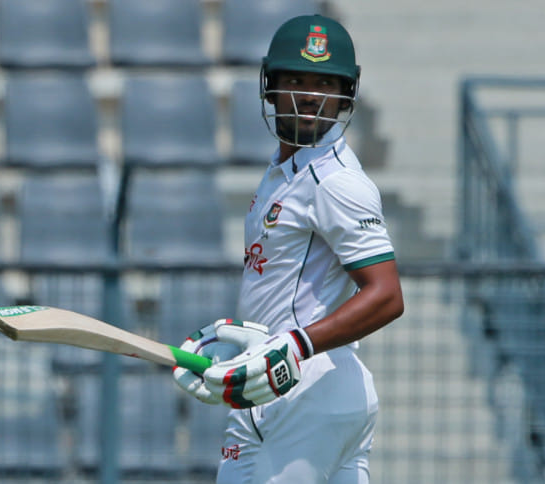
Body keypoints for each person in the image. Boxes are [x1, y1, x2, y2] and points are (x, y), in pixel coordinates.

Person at [173, 13, 403, 484]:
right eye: (296, 80)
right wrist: (237, 345)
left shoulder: (335, 181)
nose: (309, 95)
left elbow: (386, 295)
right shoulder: (284, 171)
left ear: (345, 96)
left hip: (300, 393)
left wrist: (295, 345)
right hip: (302, 391)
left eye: (324, 83)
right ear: (270, 88)